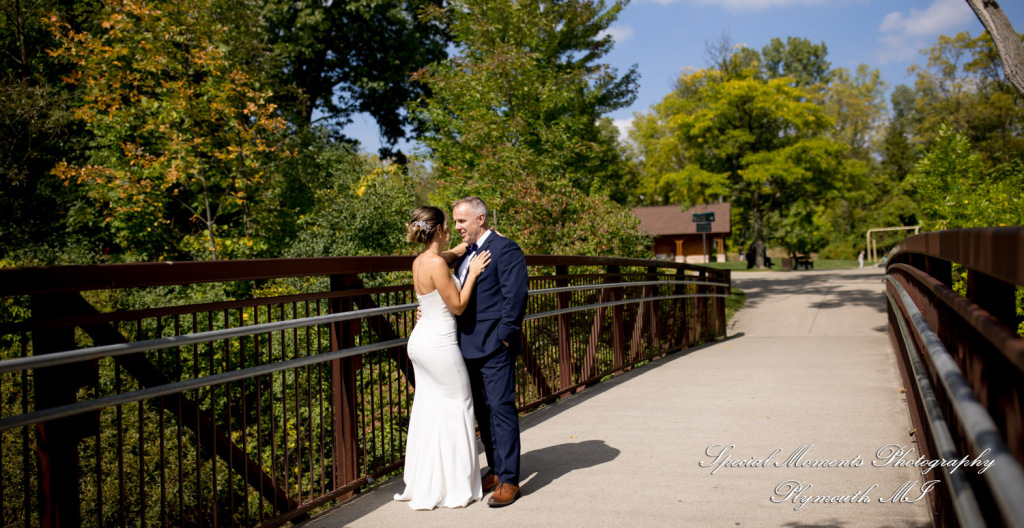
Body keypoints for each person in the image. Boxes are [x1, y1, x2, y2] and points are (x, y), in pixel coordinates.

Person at [394, 206, 492, 510]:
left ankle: (427, 481)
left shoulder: (420, 261)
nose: (451, 229)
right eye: (448, 225)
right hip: (439, 344)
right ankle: (457, 486)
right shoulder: (437, 264)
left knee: (430, 409)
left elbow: (443, 259)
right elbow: (458, 305)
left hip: (420, 341)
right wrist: (472, 273)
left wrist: (462, 249)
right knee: (460, 405)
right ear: (438, 230)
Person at [444, 196, 529, 508]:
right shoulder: (466, 253)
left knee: (501, 409)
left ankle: (509, 480)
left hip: (494, 345)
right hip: (465, 345)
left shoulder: (506, 249)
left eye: (462, 221)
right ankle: (495, 469)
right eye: (455, 221)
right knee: (482, 411)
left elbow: (515, 296)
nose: (457, 227)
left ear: (480, 219)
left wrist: (504, 338)